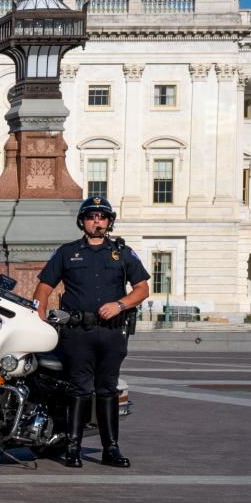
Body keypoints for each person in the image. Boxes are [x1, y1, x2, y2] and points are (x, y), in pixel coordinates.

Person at [32, 195, 149, 468]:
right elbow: (43, 288)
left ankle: (111, 449)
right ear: (82, 221)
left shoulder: (122, 252)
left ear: (109, 222)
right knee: (79, 389)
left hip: (111, 332)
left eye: (102, 216)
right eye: (91, 216)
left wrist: (120, 305)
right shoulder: (66, 252)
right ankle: (72, 448)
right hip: (78, 333)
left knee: (107, 390)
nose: (97, 221)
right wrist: (39, 321)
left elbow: (142, 288)